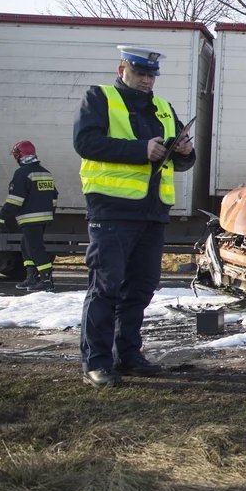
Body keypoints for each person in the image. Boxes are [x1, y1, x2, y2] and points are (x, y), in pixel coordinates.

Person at [72, 46, 196, 388]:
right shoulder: (100, 98)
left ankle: (128, 355)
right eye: (140, 73)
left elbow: (184, 160)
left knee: (140, 288)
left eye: (151, 75)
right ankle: (96, 363)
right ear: (122, 69)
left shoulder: (163, 108)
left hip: (152, 212)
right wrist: (139, 151)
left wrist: (185, 151)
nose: (146, 80)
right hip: (112, 209)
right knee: (106, 287)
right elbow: (85, 142)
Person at [0, 141, 58, 292]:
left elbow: (15, 199)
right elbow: (54, 196)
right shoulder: (45, 172)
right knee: (26, 246)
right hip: (43, 218)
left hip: (30, 218)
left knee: (35, 248)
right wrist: (50, 212)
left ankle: (46, 280)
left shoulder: (23, 173)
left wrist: (2, 217)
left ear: (19, 156)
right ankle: (31, 277)